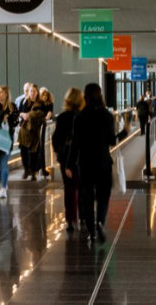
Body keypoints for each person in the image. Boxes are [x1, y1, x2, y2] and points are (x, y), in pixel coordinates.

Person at [66, 83, 119, 242]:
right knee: (103, 194)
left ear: (85, 97)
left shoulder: (80, 117)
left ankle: (91, 230)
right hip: (103, 161)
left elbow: (75, 143)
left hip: (85, 163)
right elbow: (111, 140)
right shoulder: (107, 116)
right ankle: (100, 222)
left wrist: (69, 164)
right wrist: (123, 132)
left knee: (87, 197)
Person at [52, 88, 85, 229]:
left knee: (69, 189)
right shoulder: (85, 117)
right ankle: (83, 217)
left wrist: (61, 157)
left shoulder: (62, 118)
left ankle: (70, 219)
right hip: (83, 159)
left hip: (66, 159)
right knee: (83, 188)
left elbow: (55, 139)